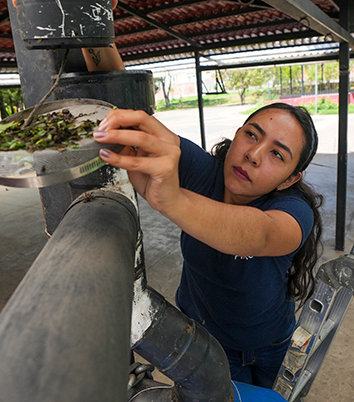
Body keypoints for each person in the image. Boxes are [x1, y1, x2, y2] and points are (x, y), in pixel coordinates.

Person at [91, 103, 324, 387]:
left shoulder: (294, 211)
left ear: (289, 179)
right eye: (251, 135)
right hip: (208, 342)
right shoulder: (204, 173)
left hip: (272, 344)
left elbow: (260, 232)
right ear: (237, 135)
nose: (253, 154)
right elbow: (147, 129)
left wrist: (173, 200)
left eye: (277, 154)